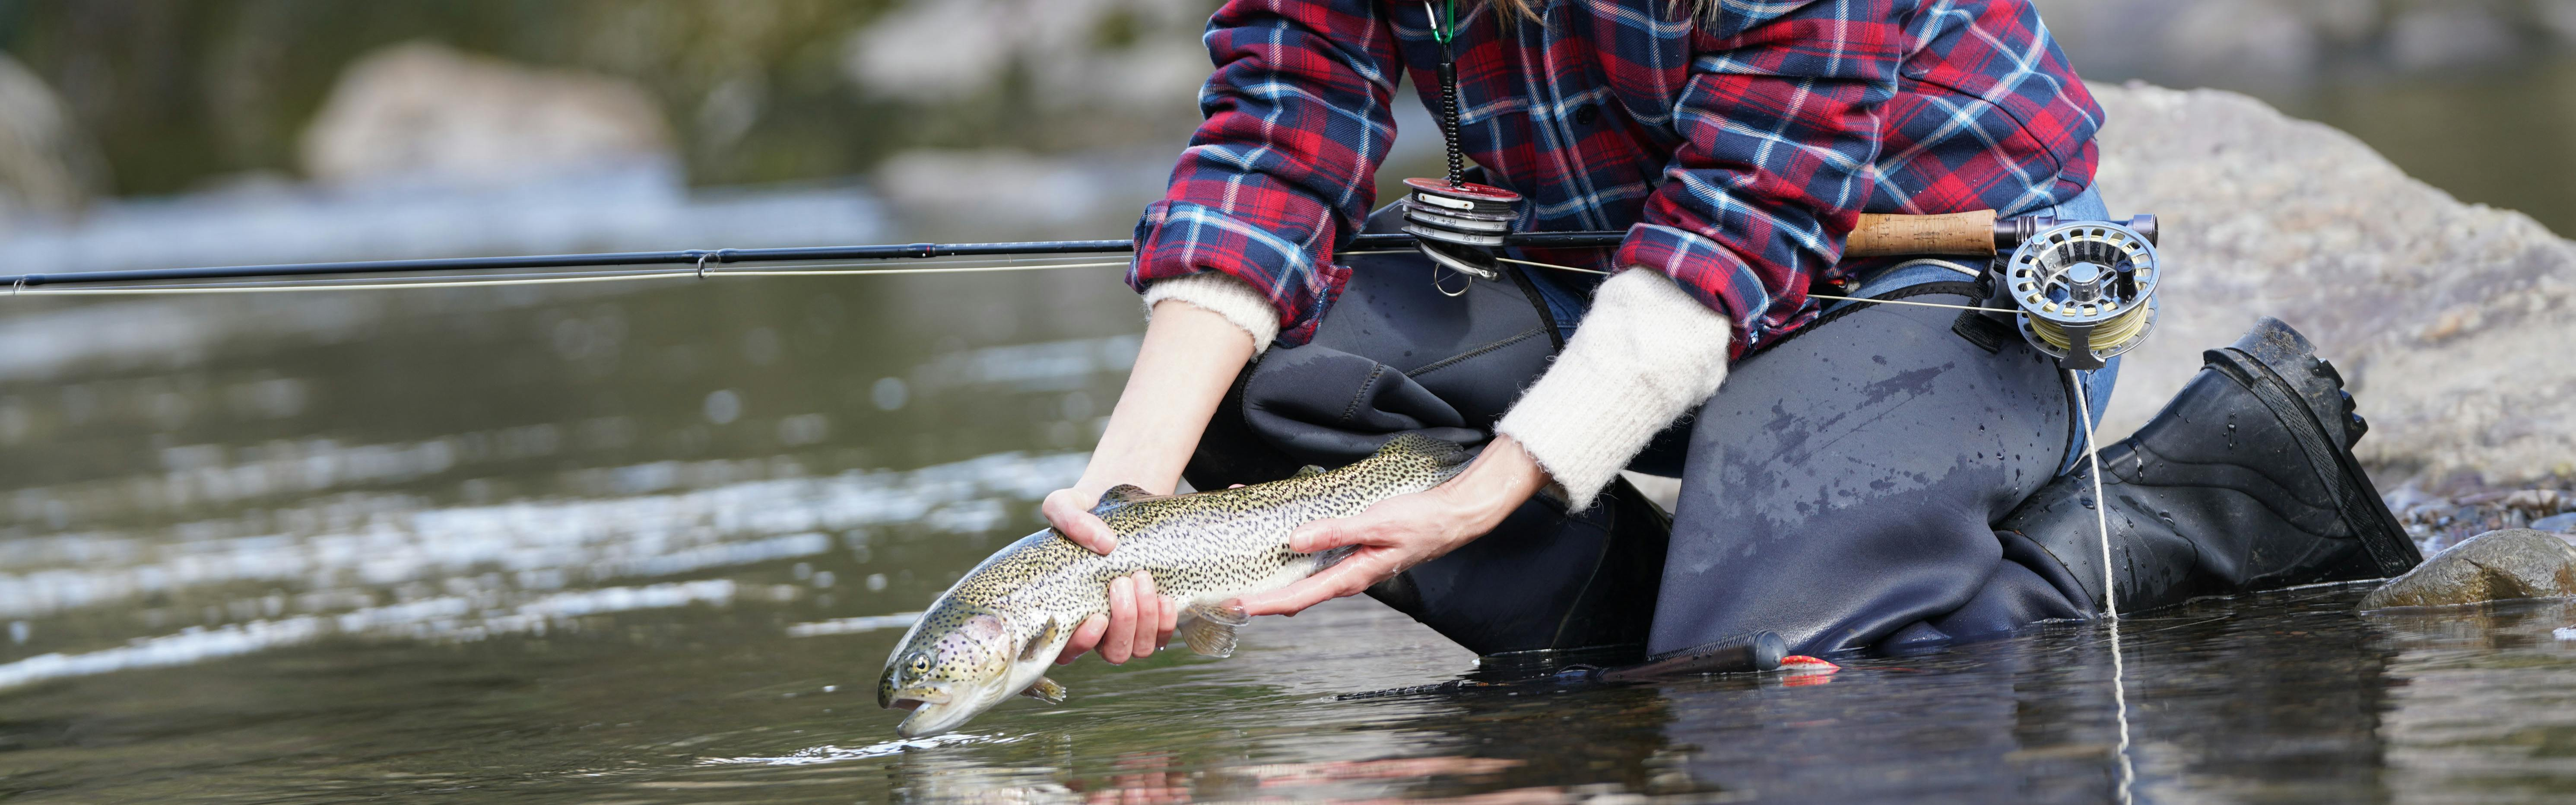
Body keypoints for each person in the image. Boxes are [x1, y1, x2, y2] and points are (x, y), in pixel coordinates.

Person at [1040, 0, 2420, 670]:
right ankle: (1675, 644)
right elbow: (1273, 148)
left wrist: (1483, 490)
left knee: (1763, 699)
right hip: (1605, 272)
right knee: (1265, 392)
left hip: (1921, 271)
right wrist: (1124, 508)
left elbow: (1735, 226)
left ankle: (2192, 505)